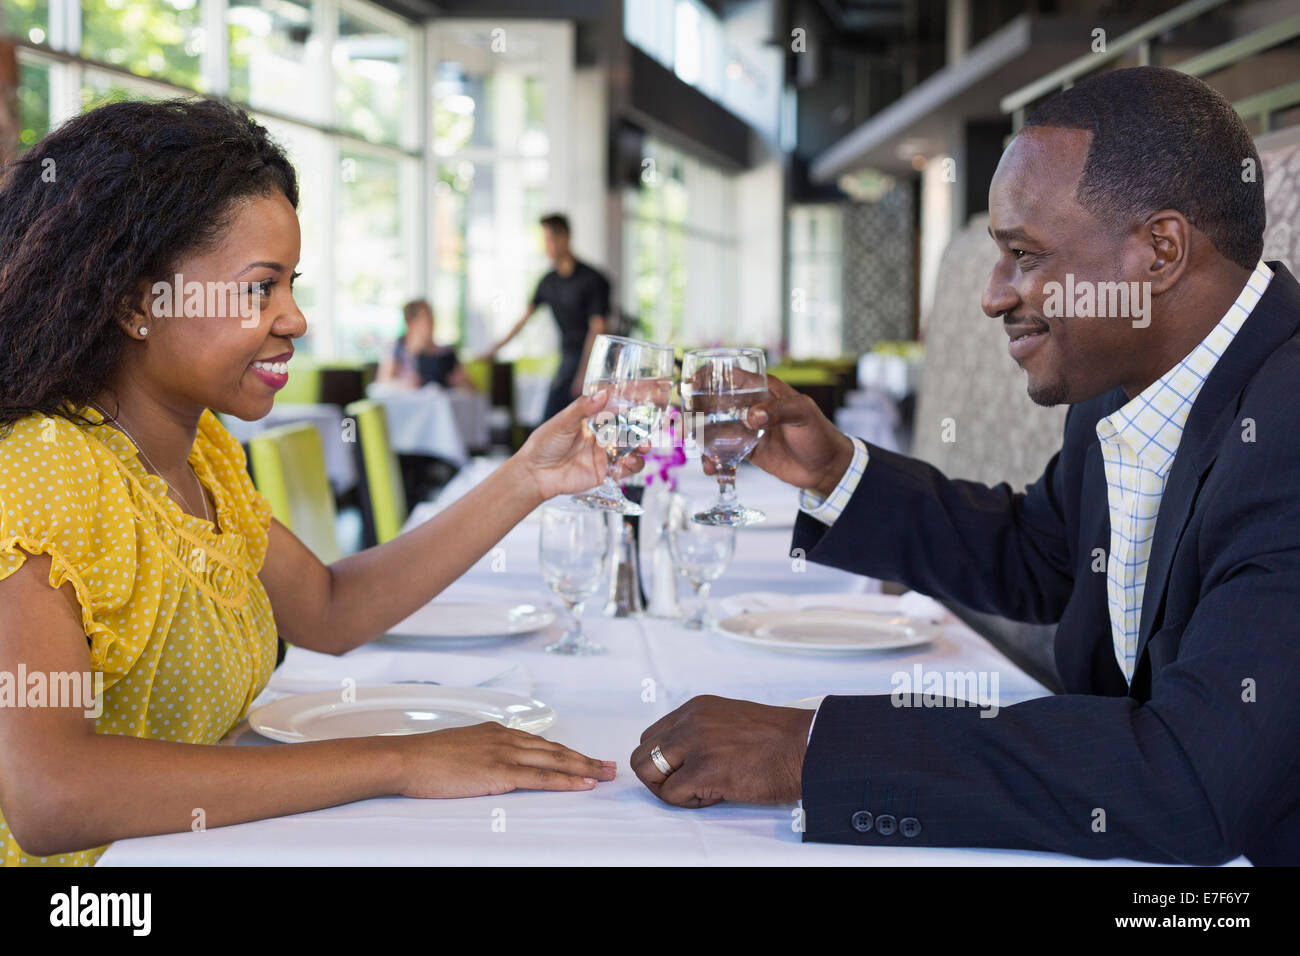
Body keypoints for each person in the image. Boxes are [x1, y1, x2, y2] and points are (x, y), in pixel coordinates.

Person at [629, 67, 1300, 865]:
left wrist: (804, 750)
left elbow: (1193, 777)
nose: (991, 295)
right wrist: (835, 469)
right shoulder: (1128, 383)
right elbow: (1042, 556)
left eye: (1024, 254)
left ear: (1160, 252)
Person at [0, 99, 646, 866]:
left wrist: (528, 478)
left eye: (291, 285)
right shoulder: (44, 469)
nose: (296, 319)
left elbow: (332, 609)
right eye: (258, 289)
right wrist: (400, 760)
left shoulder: (197, 452)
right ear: (139, 301)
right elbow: (50, 796)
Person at [487, 214, 611, 420]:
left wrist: (586, 374)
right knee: (554, 419)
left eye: (549, 239)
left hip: (594, 360)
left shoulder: (593, 279)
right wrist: (493, 350)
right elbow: (523, 320)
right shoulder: (548, 282)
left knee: (559, 417)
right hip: (568, 355)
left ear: (564, 238)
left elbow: (598, 329)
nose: (546, 246)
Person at [377, 298, 475, 390]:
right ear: (410, 322)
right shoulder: (397, 347)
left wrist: (458, 382)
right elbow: (382, 383)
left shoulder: (445, 352)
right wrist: (405, 384)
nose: (431, 322)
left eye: (431, 316)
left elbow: (473, 389)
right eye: (426, 318)